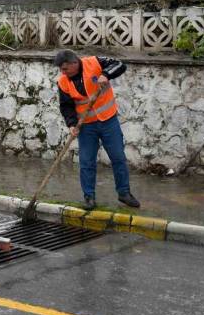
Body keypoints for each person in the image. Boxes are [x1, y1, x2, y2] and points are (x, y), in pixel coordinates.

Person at [54, 49, 140, 211]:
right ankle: (89, 197)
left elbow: (120, 65)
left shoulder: (94, 62)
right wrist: (72, 124)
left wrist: (106, 74)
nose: (62, 72)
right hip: (86, 126)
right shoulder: (63, 82)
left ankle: (124, 193)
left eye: (64, 68)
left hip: (108, 121)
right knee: (86, 162)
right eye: (60, 69)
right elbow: (66, 106)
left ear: (74, 63)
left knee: (118, 157)